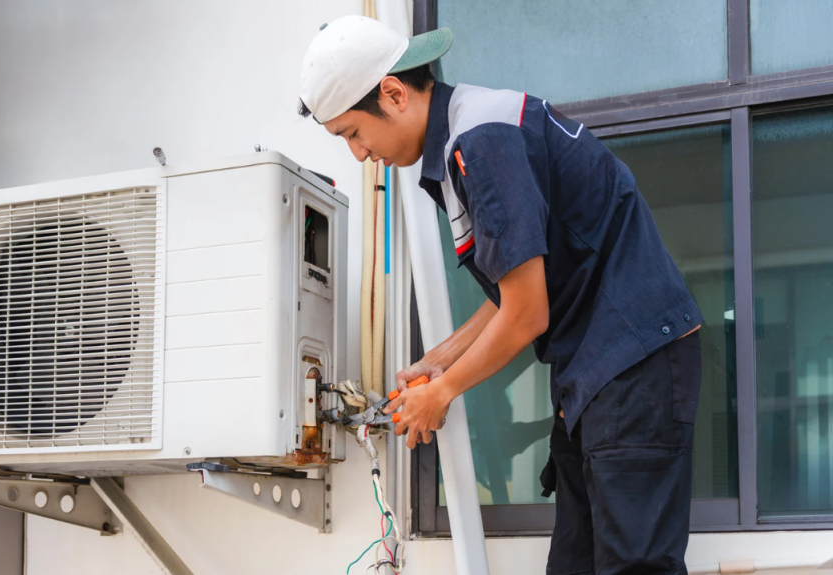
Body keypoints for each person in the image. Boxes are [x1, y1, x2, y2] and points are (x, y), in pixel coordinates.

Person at [298, 16, 704, 575]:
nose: (359, 154)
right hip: (596, 370)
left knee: (635, 567)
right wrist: (440, 360)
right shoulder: (465, 137)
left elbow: (527, 314)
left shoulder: (481, 140)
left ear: (393, 94)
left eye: (352, 133)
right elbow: (519, 284)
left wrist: (444, 392)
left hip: (632, 361)